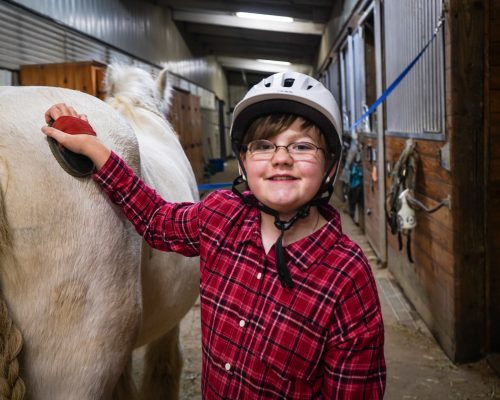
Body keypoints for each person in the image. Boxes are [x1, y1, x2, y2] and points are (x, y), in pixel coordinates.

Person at [42, 72, 386, 399]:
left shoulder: (348, 276)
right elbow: (157, 220)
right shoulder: (222, 214)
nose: (281, 159)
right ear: (244, 161)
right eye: (264, 145)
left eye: (302, 147)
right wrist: (95, 149)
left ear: (330, 166)